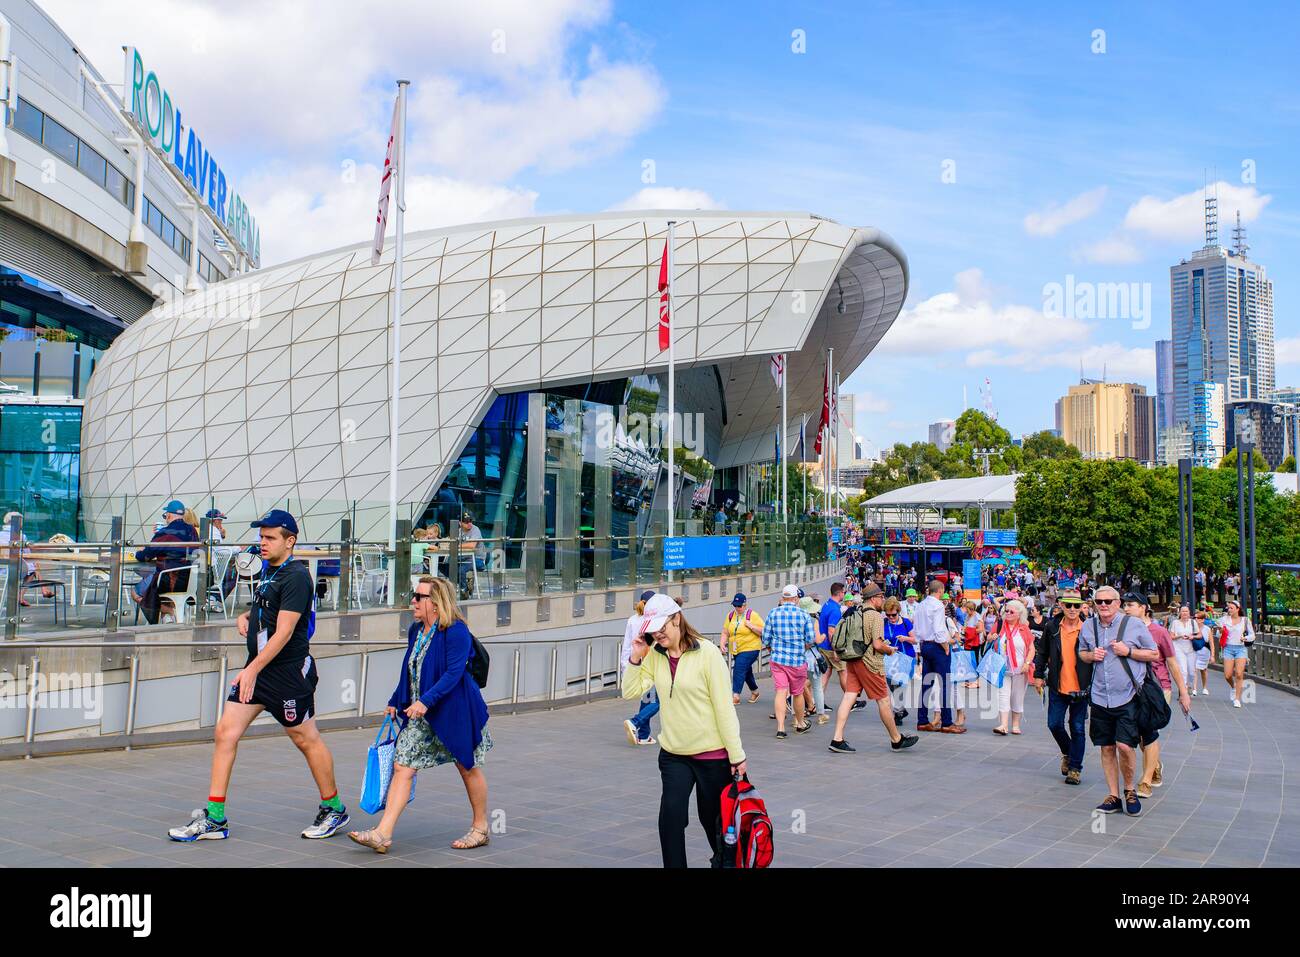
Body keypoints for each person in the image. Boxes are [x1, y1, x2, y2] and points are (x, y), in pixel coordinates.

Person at [168, 510, 347, 842]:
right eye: (261, 537)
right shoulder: (271, 571)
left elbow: (285, 631)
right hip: (260, 670)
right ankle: (215, 818)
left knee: (305, 740)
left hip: (287, 674)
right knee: (225, 732)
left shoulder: (295, 576)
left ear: (289, 541)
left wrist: (251, 668)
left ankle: (333, 808)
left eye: (269, 538)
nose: (262, 543)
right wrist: (247, 614)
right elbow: (270, 607)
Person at [349, 575, 492, 853]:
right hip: (422, 714)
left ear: (436, 603)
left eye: (418, 597)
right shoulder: (417, 630)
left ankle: (481, 827)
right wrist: (395, 699)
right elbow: (410, 668)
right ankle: (383, 834)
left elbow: (453, 674)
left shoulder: (456, 631)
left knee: (467, 766)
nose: (412, 601)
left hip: (456, 712)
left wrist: (425, 701)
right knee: (403, 766)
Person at [623, 593, 746, 868]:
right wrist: (636, 656)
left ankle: (725, 862)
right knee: (670, 820)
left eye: (661, 627)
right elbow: (630, 690)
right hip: (674, 754)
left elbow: (724, 709)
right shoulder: (656, 655)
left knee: (713, 822)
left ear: (677, 619)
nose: (657, 634)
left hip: (712, 756)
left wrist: (737, 755)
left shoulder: (708, 653)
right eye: (652, 630)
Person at [1076, 585, 1162, 817]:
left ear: (1117, 603)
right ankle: (1113, 796)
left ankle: (1130, 789)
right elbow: (1081, 653)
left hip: (1128, 696)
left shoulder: (1133, 624)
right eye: (1099, 601)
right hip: (1100, 696)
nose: (1103, 605)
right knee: (1106, 747)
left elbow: (1154, 653)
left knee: (1125, 746)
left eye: (1108, 601)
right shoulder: (1088, 625)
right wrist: (1090, 656)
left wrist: (1129, 652)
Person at [827, 583, 918, 754]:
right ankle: (896, 739)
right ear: (874, 598)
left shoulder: (855, 611)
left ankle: (837, 738)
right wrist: (889, 649)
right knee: (883, 700)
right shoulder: (875, 616)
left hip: (852, 659)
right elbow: (877, 644)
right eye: (881, 597)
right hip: (869, 663)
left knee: (848, 697)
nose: (882, 600)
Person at [1122, 593, 1190, 799]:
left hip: (1157, 689)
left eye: (1130, 605)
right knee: (1140, 736)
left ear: (1143, 607)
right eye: (1124, 605)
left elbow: (1172, 662)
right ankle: (1155, 764)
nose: (1126, 609)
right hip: (1130, 690)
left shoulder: (1159, 632)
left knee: (1148, 731)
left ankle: (1145, 780)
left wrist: (1183, 692)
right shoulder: (1121, 630)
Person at [1034, 589, 1091, 785]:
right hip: (1058, 685)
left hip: (1081, 688)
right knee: (1054, 724)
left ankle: (1075, 768)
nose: (1073, 609)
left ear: (1082, 606)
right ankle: (1068, 751)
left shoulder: (1089, 628)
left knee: (1077, 728)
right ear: (1062, 606)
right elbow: (1042, 652)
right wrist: (1038, 675)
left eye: (1077, 605)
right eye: (1069, 605)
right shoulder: (1052, 626)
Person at [132, 499, 200, 624]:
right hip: (189, 581)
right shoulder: (192, 531)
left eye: (165, 516)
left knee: (136, 592)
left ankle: (168, 611)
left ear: (168, 515)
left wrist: (137, 552)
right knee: (158, 580)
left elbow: (145, 557)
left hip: (168, 582)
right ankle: (166, 617)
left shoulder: (164, 533)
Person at [762, 584, 815, 738]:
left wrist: (772, 649)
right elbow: (811, 638)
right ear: (796, 598)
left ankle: (780, 728)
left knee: (780, 691)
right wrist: (802, 647)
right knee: (797, 693)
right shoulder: (804, 614)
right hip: (797, 661)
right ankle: (800, 723)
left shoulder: (773, 613)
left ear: (783, 598)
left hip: (778, 660)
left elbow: (765, 638)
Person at [915, 580, 963, 733]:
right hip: (937, 646)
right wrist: (946, 645)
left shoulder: (921, 605)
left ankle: (922, 720)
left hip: (924, 644)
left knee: (926, 684)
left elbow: (917, 629)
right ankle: (947, 722)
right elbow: (939, 630)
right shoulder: (938, 606)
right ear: (940, 590)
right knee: (945, 684)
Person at [991, 599, 1035, 736]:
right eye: (1006, 611)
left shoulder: (1024, 628)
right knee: (1003, 696)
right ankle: (1003, 725)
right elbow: (988, 638)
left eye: (1011, 611)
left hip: (1020, 668)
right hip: (1003, 667)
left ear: (1019, 614)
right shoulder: (999, 625)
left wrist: (1027, 664)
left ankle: (1015, 725)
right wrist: (991, 637)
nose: (1008, 613)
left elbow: (1032, 649)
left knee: (1017, 696)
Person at [624, 590, 662, 744]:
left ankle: (644, 735)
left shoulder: (633, 620)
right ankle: (635, 721)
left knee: (647, 699)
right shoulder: (655, 621)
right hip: (653, 665)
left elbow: (627, 645)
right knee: (659, 700)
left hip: (637, 665)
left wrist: (626, 667)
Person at [721, 592, 764, 705]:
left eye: (739, 605)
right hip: (736, 649)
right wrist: (722, 644)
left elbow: (764, 630)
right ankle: (755, 691)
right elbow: (725, 632)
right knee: (746, 671)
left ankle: (736, 696)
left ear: (745, 605)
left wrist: (751, 626)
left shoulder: (752, 615)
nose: (737, 608)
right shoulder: (730, 615)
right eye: (735, 605)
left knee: (739, 668)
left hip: (751, 647)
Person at [882, 595, 916, 723]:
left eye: (893, 615)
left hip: (906, 657)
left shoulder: (906, 622)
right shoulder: (884, 622)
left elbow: (915, 640)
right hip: (889, 658)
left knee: (900, 686)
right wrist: (885, 645)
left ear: (898, 612)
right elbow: (879, 639)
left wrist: (905, 638)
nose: (891, 617)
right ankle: (900, 708)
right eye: (888, 615)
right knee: (892, 685)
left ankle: (897, 713)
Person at [1219, 599, 1254, 708]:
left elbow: (1252, 635)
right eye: (1228, 608)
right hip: (1228, 648)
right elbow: (1218, 634)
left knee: (1239, 673)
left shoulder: (1245, 620)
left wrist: (1245, 638)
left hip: (1241, 648)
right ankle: (1233, 686)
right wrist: (1220, 632)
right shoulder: (1224, 619)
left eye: (1231, 608)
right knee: (1227, 675)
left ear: (1238, 609)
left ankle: (1237, 699)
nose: (1229, 610)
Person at [1168, 605, 1199, 698]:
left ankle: (1189, 685)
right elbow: (1171, 636)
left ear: (1189, 613)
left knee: (1192, 672)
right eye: (1183, 611)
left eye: (1186, 611)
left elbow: (1199, 635)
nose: (1185, 613)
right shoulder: (1175, 623)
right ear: (1180, 613)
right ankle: (1183, 691)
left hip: (1191, 649)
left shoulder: (1193, 622)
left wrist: (1192, 637)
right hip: (1179, 648)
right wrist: (1180, 636)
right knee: (1183, 671)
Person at [455, 512, 485, 599]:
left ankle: (464, 590)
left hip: (478, 559)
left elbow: (472, 545)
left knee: (461, 569)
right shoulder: (458, 531)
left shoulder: (475, 529)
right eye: (466, 522)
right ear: (460, 523)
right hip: (464, 558)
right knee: (447, 566)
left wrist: (456, 545)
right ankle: (466, 584)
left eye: (470, 521)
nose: (469, 524)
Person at [1192, 609, 1215, 696]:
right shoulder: (1192, 628)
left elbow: (1211, 643)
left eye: (1197, 618)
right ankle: (1194, 689)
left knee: (1203, 670)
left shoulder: (1207, 629)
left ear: (1202, 620)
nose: (1195, 619)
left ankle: (1205, 687)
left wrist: (1212, 656)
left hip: (1205, 651)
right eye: (1195, 618)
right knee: (1194, 669)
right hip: (1195, 650)